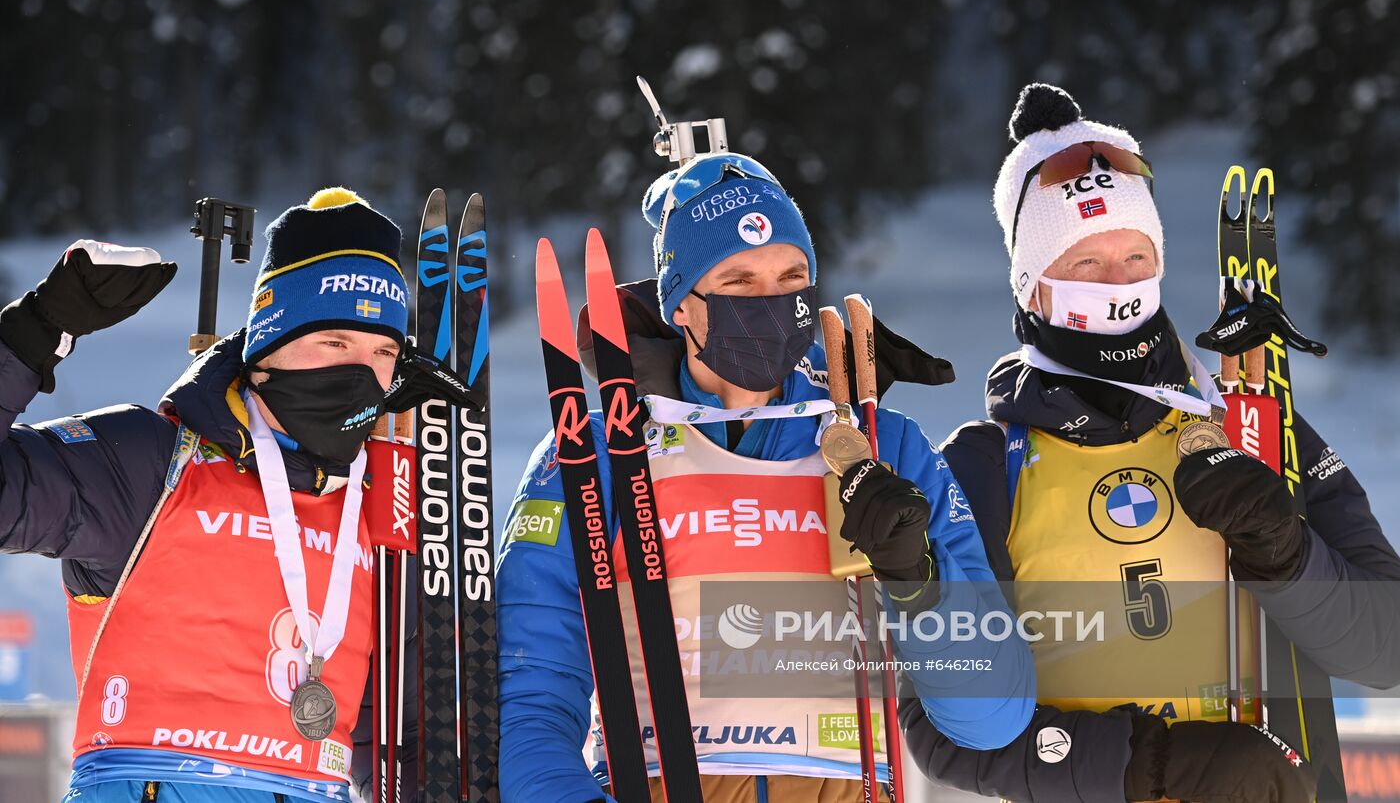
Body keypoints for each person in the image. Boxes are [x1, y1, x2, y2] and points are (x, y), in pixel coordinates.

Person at [899, 84, 1400, 802]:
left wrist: (1284, 552)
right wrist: (1150, 766)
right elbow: (940, 730)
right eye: (1085, 264)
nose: (1119, 287)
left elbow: (1385, 649)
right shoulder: (983, 468)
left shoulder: (1252, 423)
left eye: (1136, 257)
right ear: (1031, 288)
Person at [497, 152, 1035, 802]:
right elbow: (531, 701)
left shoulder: (883, 445)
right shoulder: (596, 454)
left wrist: (918, 582)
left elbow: (993, 719)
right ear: (680, 305)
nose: (772, 303)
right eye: (739, 281)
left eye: (792, 278)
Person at [0, 188, 457, 802]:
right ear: (269, 342)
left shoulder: (381, 508)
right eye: (335, 343)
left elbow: (389, 736)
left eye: (383, 352)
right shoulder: (146, 462)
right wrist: (30, 337)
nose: (361, 372)